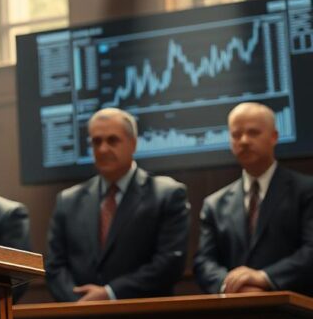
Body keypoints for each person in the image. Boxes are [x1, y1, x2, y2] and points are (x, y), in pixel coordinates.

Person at [45, 108, 189, 302]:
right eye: (96, 142)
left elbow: (170, 263)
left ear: (133, 143)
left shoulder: (166, 195)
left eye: (112, 140)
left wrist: (110, 293)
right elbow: (55, 266)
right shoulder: (68, 201)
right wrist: (78, 302)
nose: (103, 149)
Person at [193, 102, 313, 295]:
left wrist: (265, 278)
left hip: (298, 314)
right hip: (233, 314)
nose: (244, 141)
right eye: (236, 135)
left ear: (274, 136)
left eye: (253, 132)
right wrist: (231, 284)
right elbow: (203, 262)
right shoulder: (214, 204)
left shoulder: (306, 191)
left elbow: (310, 251)